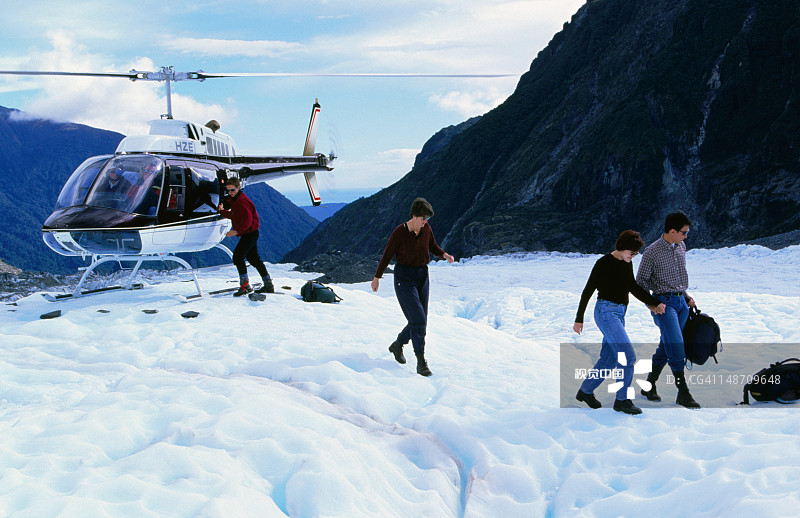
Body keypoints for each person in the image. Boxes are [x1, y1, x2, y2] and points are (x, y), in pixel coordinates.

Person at [573, 230, 666, 415]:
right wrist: (579, 319)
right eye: (631, 253)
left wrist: (654, 303)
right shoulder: (603, 263)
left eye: (636, 254)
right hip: (605, 313)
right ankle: (622, 400)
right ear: (622, 248)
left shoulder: (626, 264)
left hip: (618, 314)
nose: (633, 257)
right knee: (628, 357)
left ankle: (585, 391)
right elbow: (588, 290)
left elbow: (633, 287)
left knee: (609, 359)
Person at [371, 198, 454, 376]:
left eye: (428, 219)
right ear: (415, 216)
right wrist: (377, 277)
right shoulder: (399, 233)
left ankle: (398, 344)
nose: (426, 222)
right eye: (424, 218)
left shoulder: (426, 229)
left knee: (420, 319)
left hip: (422, 276)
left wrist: (444, 254)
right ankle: (421, 361)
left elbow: (432, 246)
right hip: (404, 278)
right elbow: (386, 255)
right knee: (418, 319)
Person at [635, 210, 701, 408]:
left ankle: (648, 386)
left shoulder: (681, 246)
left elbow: (679, 277)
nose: (686, 236)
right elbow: (640, 283)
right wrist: (653, 304)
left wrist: (687, 297)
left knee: (666, 346)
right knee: (676, 345)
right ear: (672, 231)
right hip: (663, 305)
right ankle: (683, 392)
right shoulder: (652, 252)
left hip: (682, 303)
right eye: (683, 232)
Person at [217, 177, 274, 296]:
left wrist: (235, 231)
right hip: (251, 233)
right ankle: (268, 285)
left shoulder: (241, 201)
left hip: (249, 234)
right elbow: (235, 215)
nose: (230, 193)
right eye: (228, 191)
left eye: (232, 190)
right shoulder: (236, 199)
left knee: (238, 257)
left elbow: (246, 221)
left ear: (238, 188)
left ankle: (245, 286)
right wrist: (222, 211)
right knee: (254, 259)